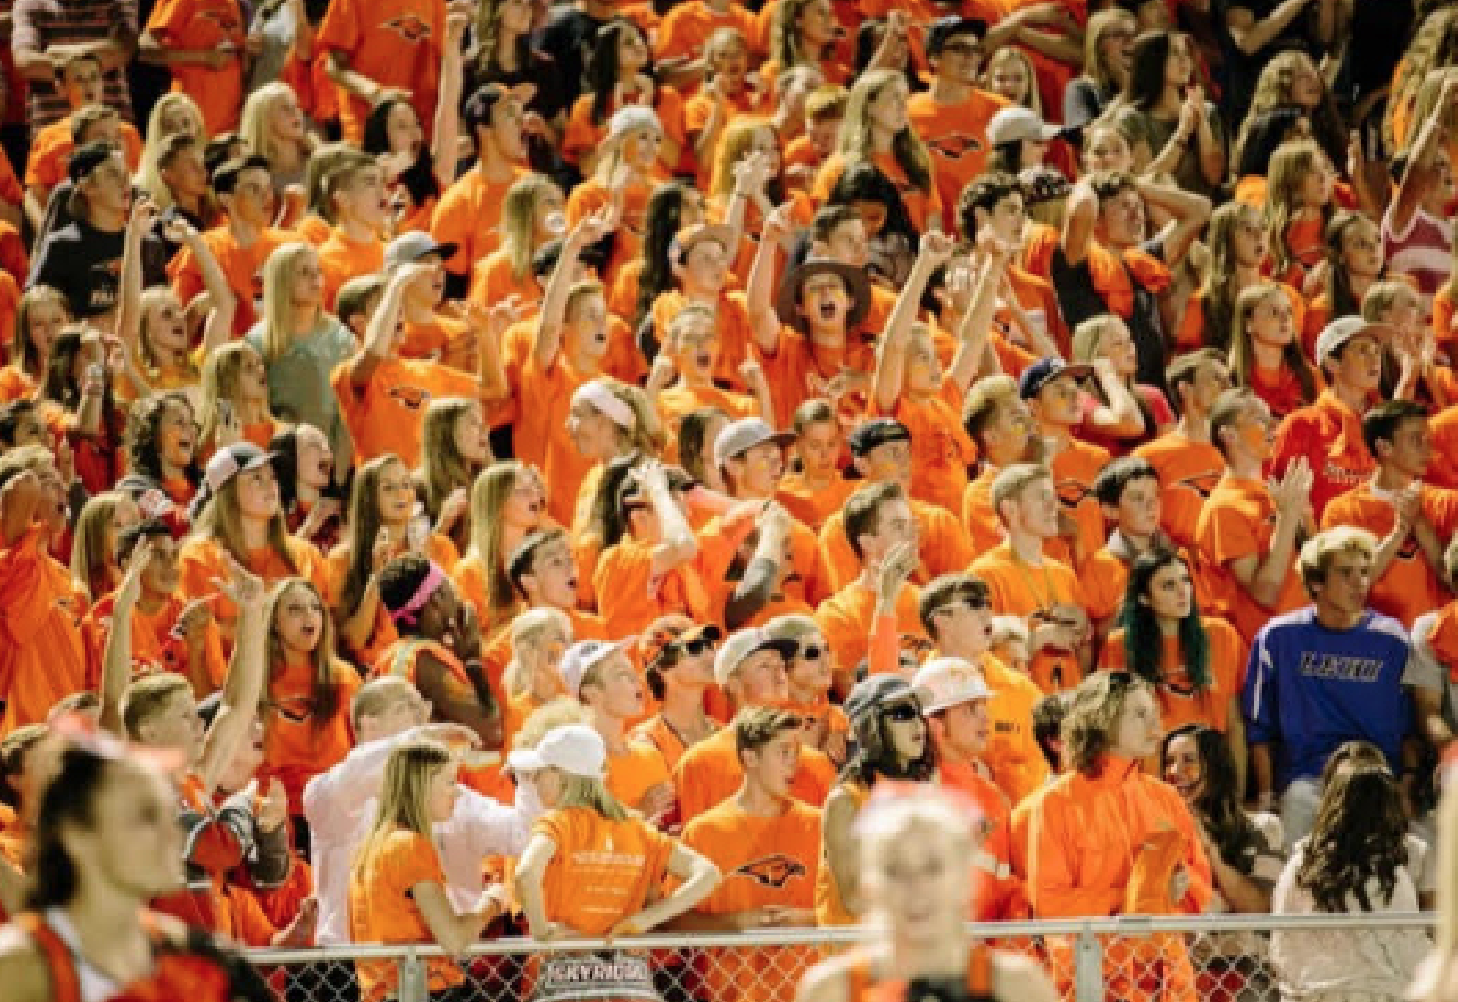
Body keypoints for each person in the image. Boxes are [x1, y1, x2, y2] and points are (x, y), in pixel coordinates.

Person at [0, 726, 277, 1002]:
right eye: (144, 817)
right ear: (77, 834)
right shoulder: (23, 969)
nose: (171, 833)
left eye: (169, 814)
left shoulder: (197, 954)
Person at [303, 675, 541, 948]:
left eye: (423, 709)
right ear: (369, 723)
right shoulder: (332, 796)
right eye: (407, 708)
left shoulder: (454, 798)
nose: (423, 717)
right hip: (351, 967)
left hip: (445, 963)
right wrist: (418, 737)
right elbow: (350, 778)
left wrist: (529, 776)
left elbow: (523, 835)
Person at [1023, 670, 1212, 1002]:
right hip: (1092, 981)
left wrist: (1181, 889)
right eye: (1139, 714)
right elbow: (1049, 903)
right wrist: (1133, 897)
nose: (1154, 724)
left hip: (1168, 982)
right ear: (1102, 717)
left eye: (1154, 713)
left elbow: (1200, 884)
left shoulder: (1165, 798)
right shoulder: (1055, 803)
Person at [513, 724, 720, 999]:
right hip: (627, 982)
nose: (533, 781)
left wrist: (542, 931)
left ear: (562, 776)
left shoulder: (559, 824)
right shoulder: (637, 828)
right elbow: (708, 874)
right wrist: (645, 920)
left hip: (562, 979)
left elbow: (525, 873)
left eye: (539, 773)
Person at [797, 787, 1057, 1002]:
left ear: (966, 880)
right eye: (894, 869)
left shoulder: (1017, 988)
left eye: (933, 868)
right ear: (868, 885)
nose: (916, 888)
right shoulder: (832, 992)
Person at [1244, 527, 1417, 850]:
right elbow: (1259, 728)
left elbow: (1409, 726)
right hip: (1306, 782)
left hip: (1377, 782)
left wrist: (1405, 786)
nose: (1360, 583)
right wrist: (1267, 796)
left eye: (1365, 572)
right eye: (1346, 573)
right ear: (1316, 583)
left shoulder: (1393, 640)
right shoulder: (1279, 637)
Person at [672, 707, 821, 1002]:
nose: (794, 764)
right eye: (783, 752)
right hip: (726, 993)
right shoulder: (704, 832)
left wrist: (806, 919)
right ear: (750, 758)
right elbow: (674, 919)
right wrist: (733, 923)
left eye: (796, 752)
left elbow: (849, 909)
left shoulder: (818, 824)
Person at [350, 737, 512, 1002]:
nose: (458, 791)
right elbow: (454, 939)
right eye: (450, 781)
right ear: (421, 785)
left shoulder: (373, 845)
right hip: (426, 989)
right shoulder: (409, 845)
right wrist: (494, 902)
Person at [1270, 762, 1432, 1002]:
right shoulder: (1391, 875)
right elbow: (1408, 950)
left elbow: (1282, 942)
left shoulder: (1301, 864)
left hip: (1311, 992)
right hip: (1376, 993)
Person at [817, 672, 936, 926]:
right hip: (855, 956)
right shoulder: (846, 800)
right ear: (870, 727)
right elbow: (854, 899)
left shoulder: (924, 795)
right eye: (903, 714)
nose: (918, 724)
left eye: (919, 713)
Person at [971, 462, 1090, 694]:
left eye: (1053, 497)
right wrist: (1040, 637)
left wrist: (1082, 629)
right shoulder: (984, 574)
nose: (1053, 506)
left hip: (1068, 703)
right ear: (1010, 510)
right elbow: (978, 655)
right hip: (1019, 704)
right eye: (1041, 497)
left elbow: (1085, 654)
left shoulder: (1063, 573)